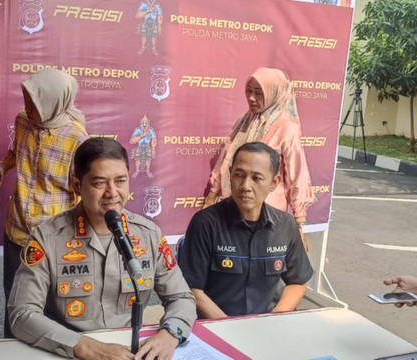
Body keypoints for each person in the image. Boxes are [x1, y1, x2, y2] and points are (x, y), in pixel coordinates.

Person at [8, 137, 196, 359]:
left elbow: (181, 297)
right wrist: (82, 346)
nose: (112, 193)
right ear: (77, 185)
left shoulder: (148, 234)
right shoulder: (47, 238)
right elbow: (21, 315)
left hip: (130, 350)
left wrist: (170, 334)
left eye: (120, 181)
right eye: (99, 183)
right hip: (67, 349)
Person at [0, 68, 88, 335]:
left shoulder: (77, 138)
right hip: (16, 229)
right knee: (14, 299)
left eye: (35, 103)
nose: (27, 107)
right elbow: (15, 153)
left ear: (55, 102)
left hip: (54, 238)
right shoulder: (22, 121)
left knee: (52, 305)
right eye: (26, 99)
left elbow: (82, 189)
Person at [179, 142, 313, 319]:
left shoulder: (285, 225)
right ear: (230, 174)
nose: (245, 186)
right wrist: (228, 325)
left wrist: (275, 317)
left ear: (274, 183)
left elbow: (298, 281)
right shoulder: (205, 223)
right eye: (239, 175)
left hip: (266, 326)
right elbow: (191, 288)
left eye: (256, 178)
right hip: (216, 325)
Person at [202, 67, 315, 251]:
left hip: (268, 215)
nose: (252, 98)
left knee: (263, 264)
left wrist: (299, 224)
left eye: (259, 92)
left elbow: (297, 175)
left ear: (274, 93)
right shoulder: (243, 121)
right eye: (249, 91)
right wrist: (211, 196)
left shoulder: (286, 128)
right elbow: (226, 160)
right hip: (236, 207)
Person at [129, 114, 157, 179]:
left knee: (148, 159)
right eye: (143, 123)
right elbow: (131, 141)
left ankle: (148, 171)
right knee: (137, 158)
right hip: (139, 147)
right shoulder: (137, 130)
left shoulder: (151, 130)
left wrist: (153, 149)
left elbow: (154, 140)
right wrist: (142, 135)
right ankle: (137, 171)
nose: (144, 125)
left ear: (149, 122)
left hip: (147, 147)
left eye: (146, 123)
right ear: (140, 121)